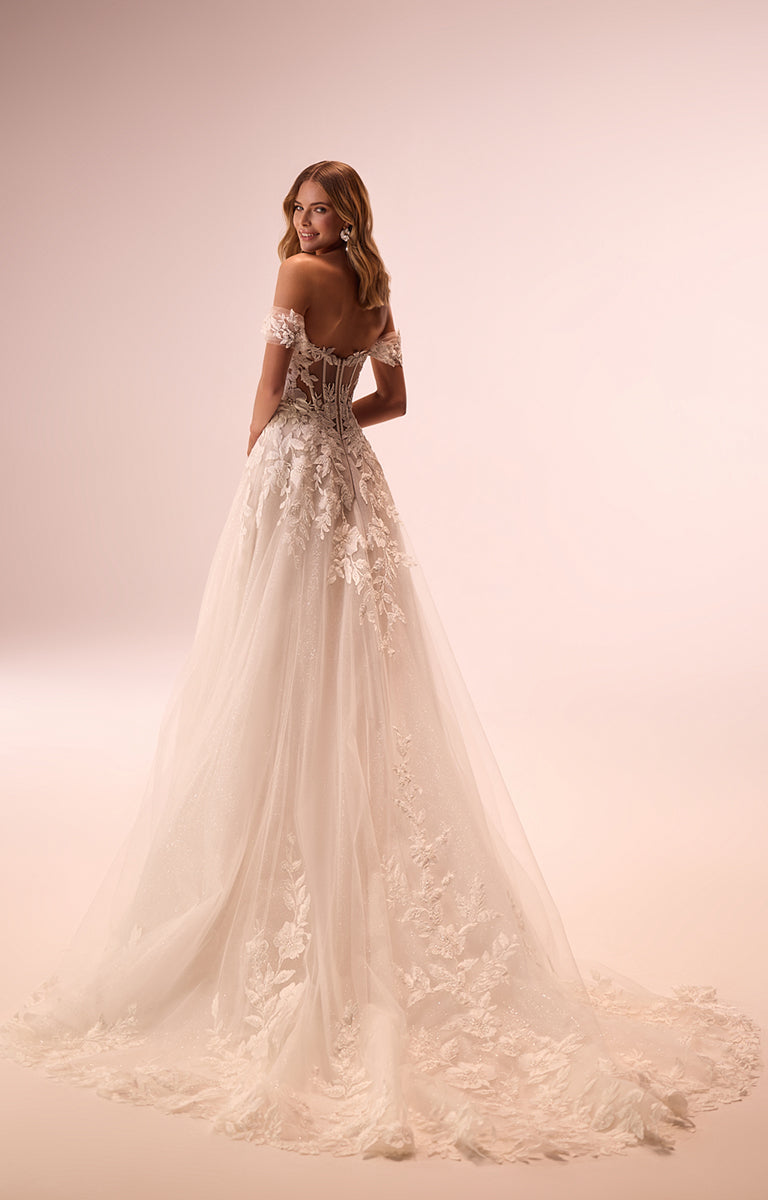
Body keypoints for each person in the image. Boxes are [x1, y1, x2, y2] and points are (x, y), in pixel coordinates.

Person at [1, 161, 760, 1163]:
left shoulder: (291, 281)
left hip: (293, 475)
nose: (309, 223)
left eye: (323, 209)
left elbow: (268, 396)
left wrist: (266, 471)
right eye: (301, 209)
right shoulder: (376, 288)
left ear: (346, 215)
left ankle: (281, 864)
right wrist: (337, 430)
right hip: (354, 485)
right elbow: (394, 400)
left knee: (268, 656)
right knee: (346, 670)